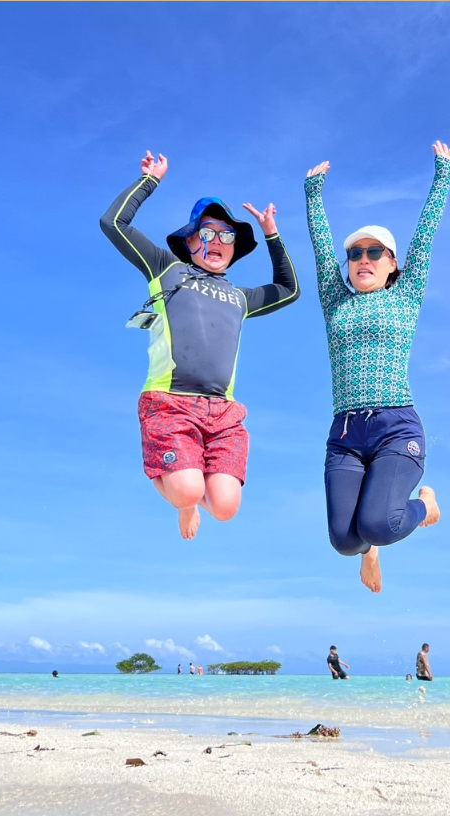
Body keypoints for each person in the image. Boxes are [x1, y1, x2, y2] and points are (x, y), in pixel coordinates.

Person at [100, 151, 301, 541]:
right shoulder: (166, 269)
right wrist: (149, 181)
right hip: (169, 403)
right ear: (189, 240)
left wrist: (272, 234)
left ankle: (191, 493)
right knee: (188, 491)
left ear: (234, 247)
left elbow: (289, 289)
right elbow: (113, 223)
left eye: (227, 236)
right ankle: (185, 501)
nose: (217, 242)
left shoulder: (241, 297)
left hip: (223, 413)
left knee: (225, 508)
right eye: (207, 233)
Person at [304, 141, 450, 592]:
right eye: (355, 255)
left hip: (395, 426)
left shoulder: (405, 297)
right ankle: (367, 554)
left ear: (393, 264)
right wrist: (312, 195)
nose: (363, 260)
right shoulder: (335, 301)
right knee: (345, 540)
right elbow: (321, 249)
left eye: (375, 253)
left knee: (380, 524)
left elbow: (424, 237)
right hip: (346, 434)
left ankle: (425, 505)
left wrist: (443, 176)